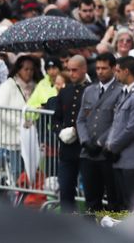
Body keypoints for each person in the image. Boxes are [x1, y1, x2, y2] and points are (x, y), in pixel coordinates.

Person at [77, 53, 123, 212]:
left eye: (104, 68)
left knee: (113, 199)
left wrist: (99, 142)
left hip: (107, 152)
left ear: (113, 68)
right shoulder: (89, 91)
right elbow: (81, 119)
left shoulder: (120, 91)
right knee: (91, 199)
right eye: (97, 68)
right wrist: (85, 141)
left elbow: (118, 122)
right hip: (87, 153)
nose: (100, 72)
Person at [105, 56, 134, 210]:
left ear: (126, 71)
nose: (115, 74)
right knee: (124, 204)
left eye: (118, 71)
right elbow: (118, 123)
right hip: (123, 159)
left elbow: (132, 129)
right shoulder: (127, 93)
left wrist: (113, 146)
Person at [52, 55, 89, 211]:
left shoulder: (91, 91)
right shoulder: (65, 92)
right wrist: (61, 131)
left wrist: (77, 132)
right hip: (67, 150)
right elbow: (55, 119)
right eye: (69, 70)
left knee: (91, 192)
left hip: (86, 149)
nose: (71, 73)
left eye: (75, 70)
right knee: (66, 191)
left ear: (84, 69)